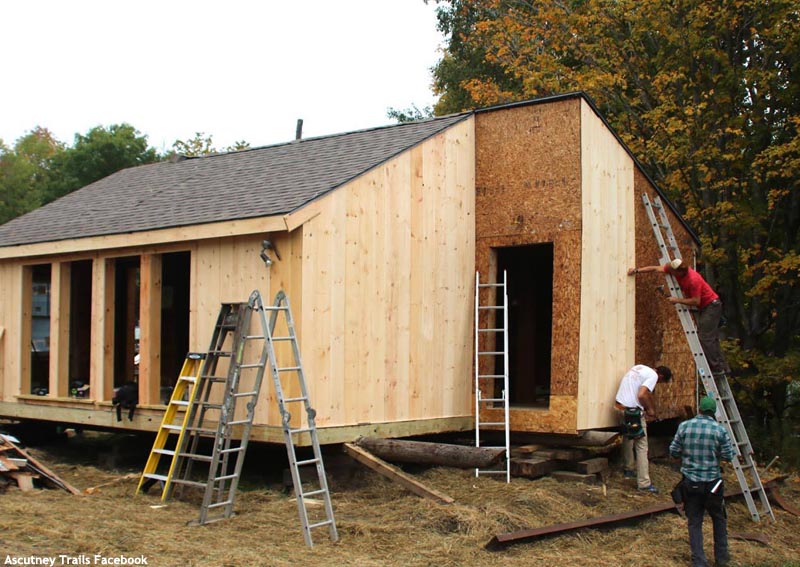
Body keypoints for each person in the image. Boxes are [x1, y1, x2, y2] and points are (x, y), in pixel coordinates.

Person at [628, 259, 731, 375]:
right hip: (707, 307)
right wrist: (636, 271)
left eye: (673, 272)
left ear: (680, 272)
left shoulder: (693, 280)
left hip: (711, 306)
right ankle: (723, 367)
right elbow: (655, 268)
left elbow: (696, 301)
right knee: (711, 339)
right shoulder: (674, 269)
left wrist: (677, 300)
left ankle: (717, 368)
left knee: (705, 338)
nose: (670, 272)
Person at [669, 396, 734, 567]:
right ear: (713, 412)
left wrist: (684, 457)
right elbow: (728, 455)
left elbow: (674, 450)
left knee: (694, 522)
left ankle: (699, 561)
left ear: (699, 409)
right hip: (713, 484)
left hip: (690, 483)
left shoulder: (684, 427)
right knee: (718, 518)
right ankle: (722, 558)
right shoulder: (719, 430)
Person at [614, 364, 673, 493]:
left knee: (628, 437)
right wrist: (650, 409)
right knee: (642, 446)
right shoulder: (653, 376)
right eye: (660, 382)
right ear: (661, 376)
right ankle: (644, 483)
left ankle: (628, 469)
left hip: (619, 407)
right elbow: (642, 395)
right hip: (632, 412)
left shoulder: (639, 367)